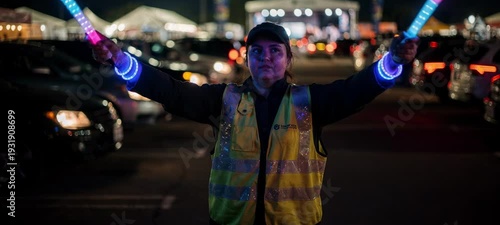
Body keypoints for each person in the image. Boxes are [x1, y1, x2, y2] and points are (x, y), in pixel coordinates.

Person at [91, 21, 418, 225]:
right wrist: (120, 60)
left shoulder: (309, 103)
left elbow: (357, 89)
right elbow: (170, 91)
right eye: (257, 51)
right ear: (247, 59)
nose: (265, 57)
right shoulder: (224, 100)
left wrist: (392, 62)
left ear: (289, 59)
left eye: (275, 51)